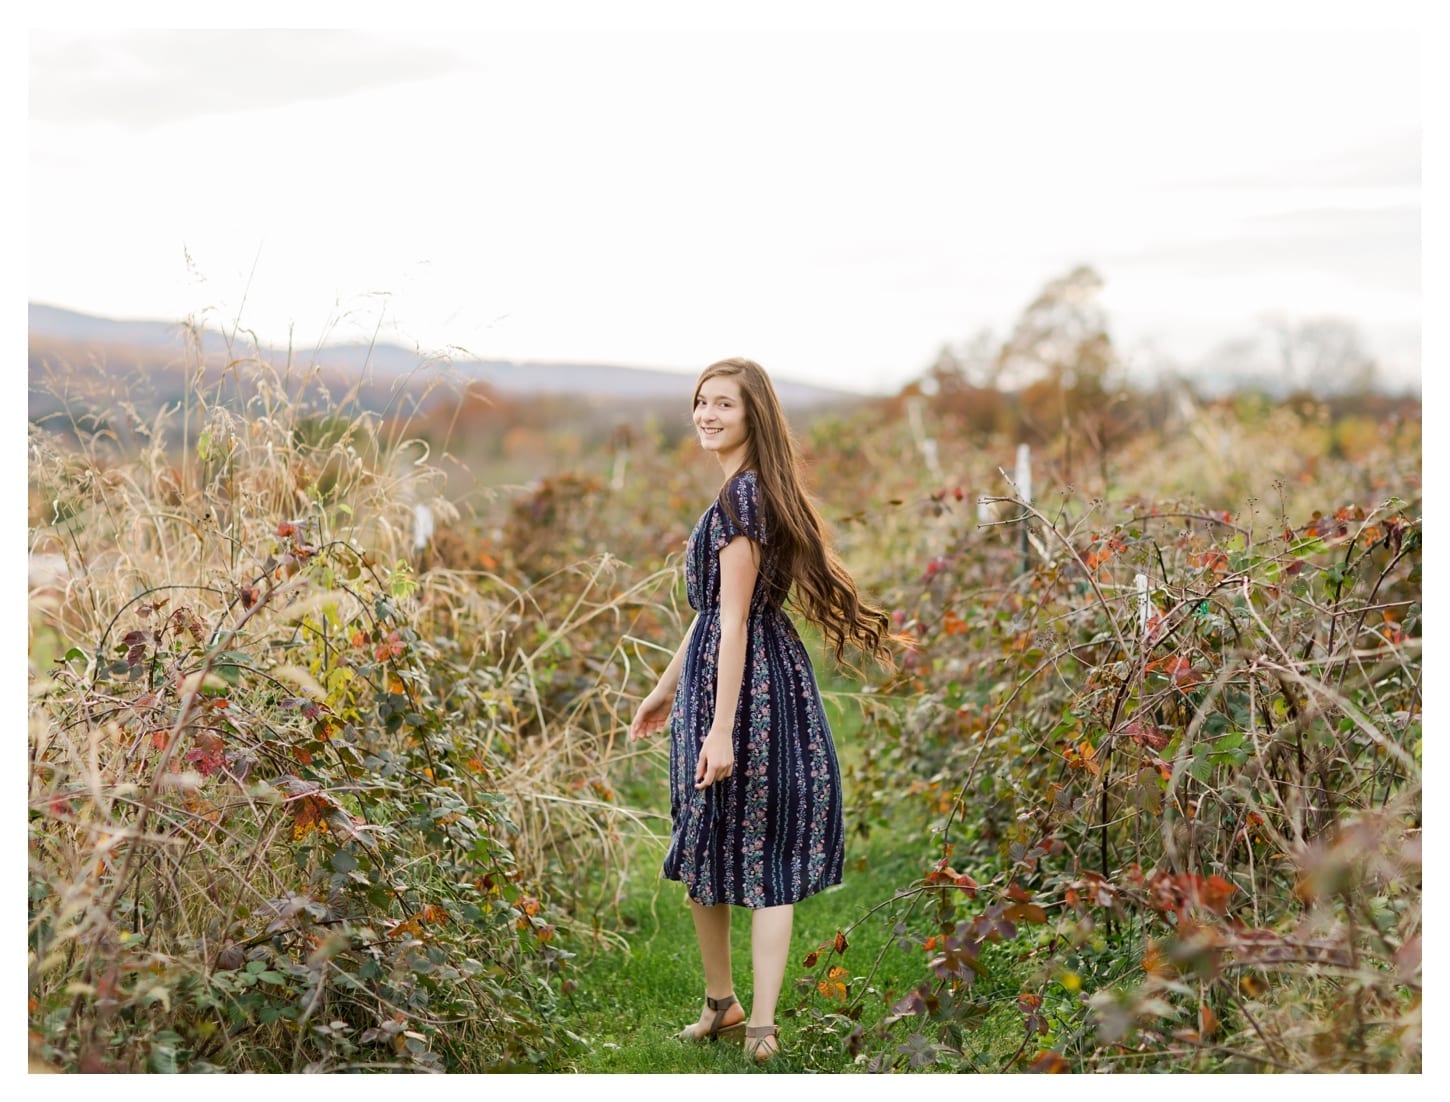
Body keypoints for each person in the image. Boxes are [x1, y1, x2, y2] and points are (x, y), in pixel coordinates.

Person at [629, 357, 897, 1064]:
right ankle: (727, 1009)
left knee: (753, 845)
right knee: (707, 840)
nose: (707, 415)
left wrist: (721, 729)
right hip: (731, 676)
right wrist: (664, 687)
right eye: (701, 402)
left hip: (748, 690)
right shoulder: (747, 492)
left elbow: (738, 621)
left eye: (724, 405)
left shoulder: (743, 500)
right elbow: (713, 615)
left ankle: (761, 1026)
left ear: (753, 417)